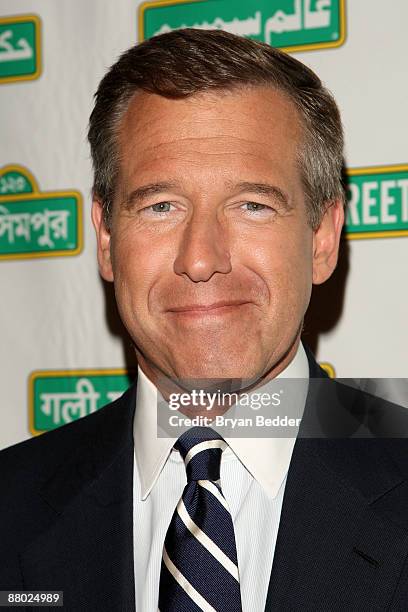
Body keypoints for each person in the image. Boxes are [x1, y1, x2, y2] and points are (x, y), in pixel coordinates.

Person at [1, 29, 408, 612]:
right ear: (107, 237)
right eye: (160, 205)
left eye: (252, 205)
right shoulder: (10, 504)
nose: (201, 258)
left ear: (322, 237)